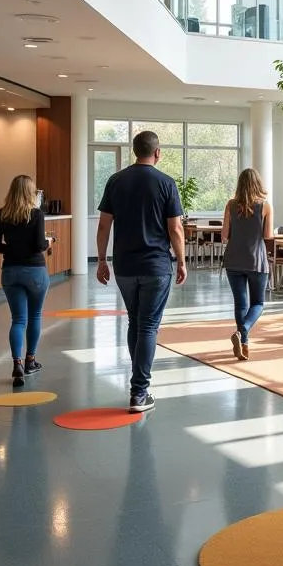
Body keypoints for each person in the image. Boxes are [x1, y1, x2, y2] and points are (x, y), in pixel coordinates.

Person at [96, 130, 187, 413]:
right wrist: (182, 261)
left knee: (135, 322)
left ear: (134, 150)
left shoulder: (116, 180)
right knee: (148, 325)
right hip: (156, 266)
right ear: (157, 152)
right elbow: (175, 228)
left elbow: (103, 226)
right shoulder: (166, 183)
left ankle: (138, 385)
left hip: (124, 266)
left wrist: (101, 260)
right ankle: (139, 392)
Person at [0, 175, 52, 387]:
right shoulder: (36, 214)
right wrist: (49, 241)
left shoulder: (1, 214)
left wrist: (14, 248)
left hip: (10, 271)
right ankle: (30, 361)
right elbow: (38, 245)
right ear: (30, 192)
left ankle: (16, 364)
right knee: (34, 315)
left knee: (18, 319)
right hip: (34, 271)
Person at [222, 167, 274, 361]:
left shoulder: (231, 205)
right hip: (256, 260)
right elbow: (268, 236)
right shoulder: (265, 206)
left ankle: (244, 344)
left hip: (233, 260)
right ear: (257, 184)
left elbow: (224, 235)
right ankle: (243, 330)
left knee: (240, 304)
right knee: (258, 303)